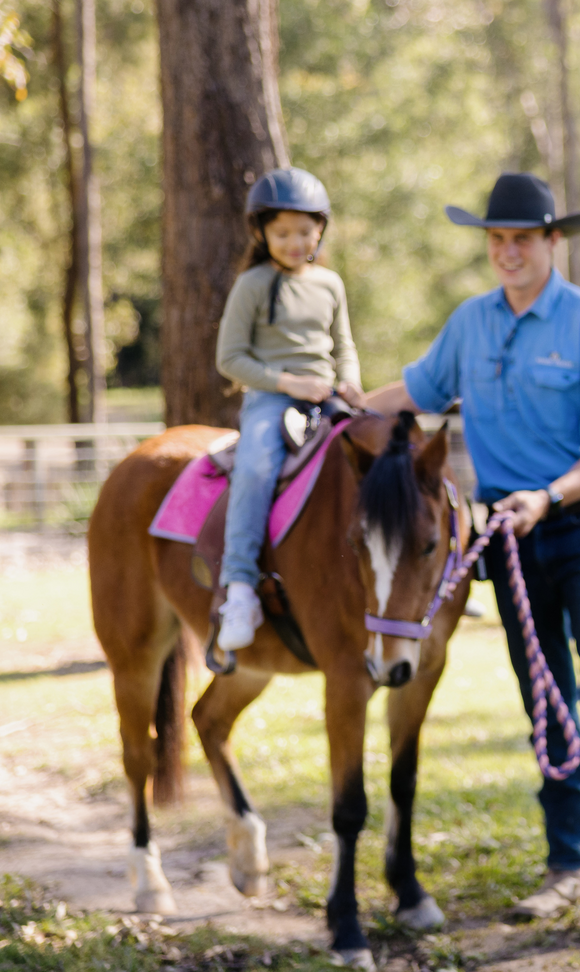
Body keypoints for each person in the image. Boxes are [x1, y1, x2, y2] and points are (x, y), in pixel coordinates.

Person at [360, 173, 580, 942]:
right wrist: (340, 407)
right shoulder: (469, 324)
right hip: (507, 538)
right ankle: (570, 866)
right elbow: (416, 391)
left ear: (552, 243)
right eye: (496, 240)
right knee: (547, 701)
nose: (507, 252)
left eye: (521, 239)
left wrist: (549, 496)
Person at [213, 167, 363, 654]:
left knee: (385, 453)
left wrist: (351, 382)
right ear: (262, 233)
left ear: (320, 229)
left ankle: (418, 574)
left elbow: (344, 345)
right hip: (271, 398)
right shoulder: (253, 284)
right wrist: (288, 382)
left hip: (329, 397)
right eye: (282, 233)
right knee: (256, 463)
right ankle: (238, 588)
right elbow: (229, 358)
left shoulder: (330, 284)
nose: (295, 242)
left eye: (304, 231)